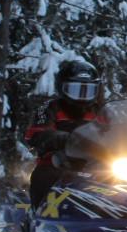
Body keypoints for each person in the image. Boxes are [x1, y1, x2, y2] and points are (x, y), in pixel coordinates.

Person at [25, 59, 104, 210]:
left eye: (88, 90)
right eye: (76, 89)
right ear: (62, 88)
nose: (82, 96)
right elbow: (37, 133)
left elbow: (116, 129)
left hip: (96, 163)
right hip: (59, 162)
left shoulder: (100, 111)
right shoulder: (50, 108)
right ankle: (39, 214)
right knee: (45, 174)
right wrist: (59, 138)